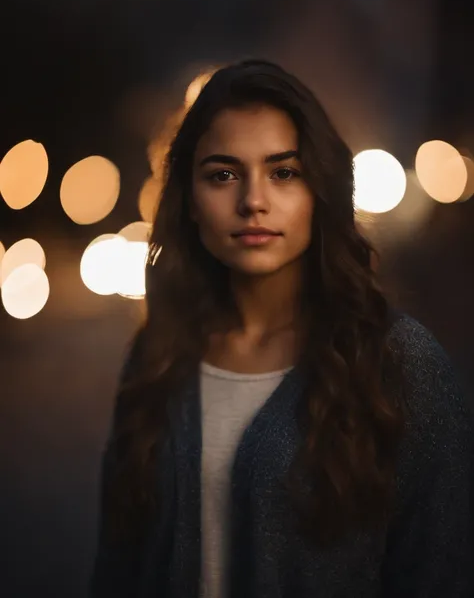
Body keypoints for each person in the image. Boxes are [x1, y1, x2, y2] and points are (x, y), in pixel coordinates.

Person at [90, 60, 473, 598]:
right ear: (189, 203)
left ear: (321, 191)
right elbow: (117, 565)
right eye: (223, 174)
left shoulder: (402, 365)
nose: (253, 201)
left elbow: (442, 573)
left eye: (283, 172)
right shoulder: (158, 357)